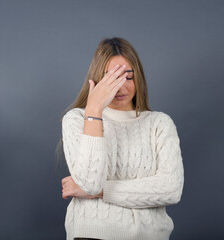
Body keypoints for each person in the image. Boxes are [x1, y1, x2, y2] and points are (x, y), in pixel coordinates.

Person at [58, 37, 184, 240]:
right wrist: (94, 109)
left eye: (128, 76)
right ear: (98, 79)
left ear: (138, 78)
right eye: (111, 78)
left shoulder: (159, 123)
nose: (121, 87)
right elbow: (90, 183)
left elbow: (171, 189)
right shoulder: (77, 119)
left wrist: (100, 192)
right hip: (92, 235)